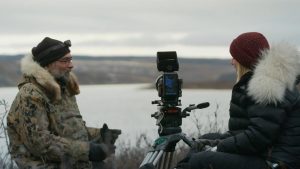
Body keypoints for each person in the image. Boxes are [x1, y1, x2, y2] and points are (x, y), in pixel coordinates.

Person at [175, 32, 300, 169]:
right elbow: (244, 131)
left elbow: (258, 138)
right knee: (202, 141)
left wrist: (217, 148)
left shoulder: (269, 87)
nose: (232, 61)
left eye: (235, 57)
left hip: (277, 163)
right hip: (265, 154)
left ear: (245, 60)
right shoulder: (262, 82)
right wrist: (213, 142)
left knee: (202, 160)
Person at [6, 37, 121, 169]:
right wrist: (88, 150)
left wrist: (100, 135)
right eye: (64, 61)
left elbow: (69, 131)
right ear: (47, 65)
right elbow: (40, 143)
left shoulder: (62, 89)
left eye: (70, 59)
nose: (71, 65)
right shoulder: (30, 95)